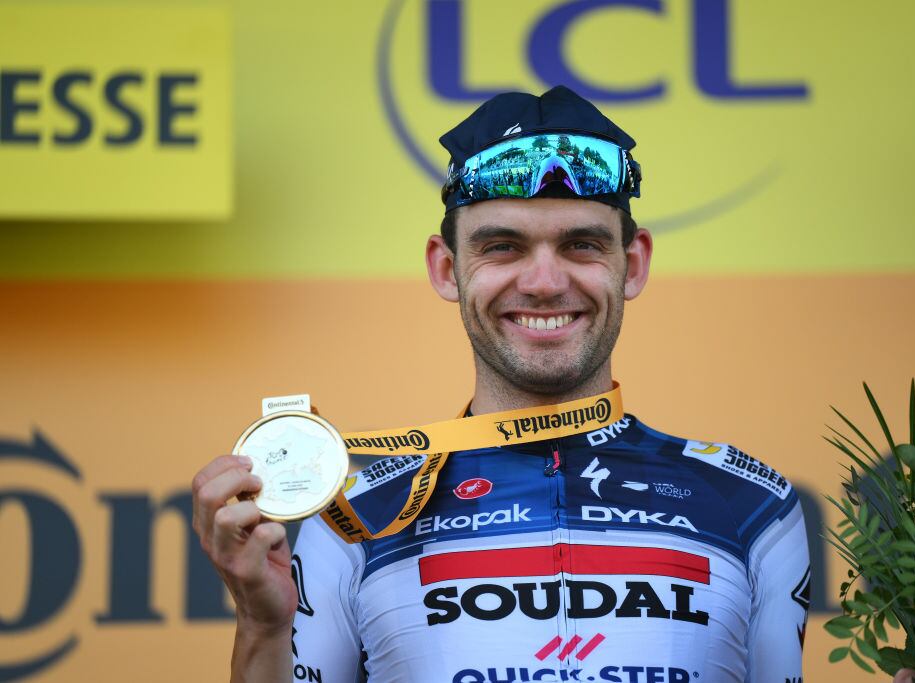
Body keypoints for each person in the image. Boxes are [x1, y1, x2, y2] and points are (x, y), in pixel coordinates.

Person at [192, 86, 813, 683]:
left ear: (634, 263)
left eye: (581, 245)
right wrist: (260, 626)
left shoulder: (755, 507)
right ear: (446, 267)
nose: (544, 282)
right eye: (503, 247)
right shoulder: (354, 516)